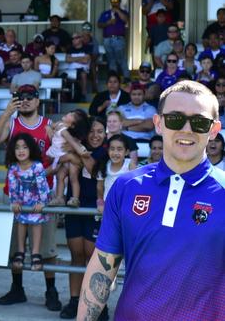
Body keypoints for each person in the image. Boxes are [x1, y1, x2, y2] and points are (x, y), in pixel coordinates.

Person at [78, 80, 225, 320]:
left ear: (213, 129)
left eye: (199, 122)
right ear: (158, 123)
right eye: (175, 119)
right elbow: (103, 269)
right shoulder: (125, 187)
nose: (186, 129)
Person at [0, 84, 62, 311]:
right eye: (22, 97)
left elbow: (61, 158)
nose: (26, 100)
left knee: (47, 249)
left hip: (42, 193)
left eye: (31, 97)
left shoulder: (49, 126)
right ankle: (17, 288)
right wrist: (7, 112)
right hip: (14, 193)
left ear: (38, 101)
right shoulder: (12, 123)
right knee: (15, 248)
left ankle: (51, 290)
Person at [59, 116, 108, 320]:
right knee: (76, 256)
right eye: (92, 131)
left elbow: (93, 168)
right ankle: (74, 300)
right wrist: (74, 154)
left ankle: (98, 305)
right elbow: (61, 160)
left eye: (100, 131)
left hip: (95, 210)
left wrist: (75, 155)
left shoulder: (106, 151)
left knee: (93, 259)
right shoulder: (78, 148)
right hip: (75, 206)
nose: (95, 136)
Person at [7, 133, 51, 272]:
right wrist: (14, 202)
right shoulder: (13, 168)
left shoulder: (37, 166)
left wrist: (42, 203)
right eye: (17, 148)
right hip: (21, 201)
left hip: (36, 201)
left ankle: (35, 252)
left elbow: (42, 186)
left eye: (25, 147)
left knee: (36, 222)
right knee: (21, 221)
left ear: (31, 149)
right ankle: (20, 251)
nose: (21, 151)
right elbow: (12, 187)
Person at [47, 109, 90, 207]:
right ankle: (59, 198)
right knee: (59, 177)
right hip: (61, 157)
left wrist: (82, 153)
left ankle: (75, 199)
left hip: (67, 157)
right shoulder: (59, 124)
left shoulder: (65, 132)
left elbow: (74, 144)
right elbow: (51, 125)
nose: (69, 113)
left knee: (73, 177)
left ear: (73, 125)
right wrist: (48, 128)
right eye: (71, 112)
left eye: (72, 115)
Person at [95, 134, 133, 212]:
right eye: (112, 149)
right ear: (108, 150)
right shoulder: (103, 165)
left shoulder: (130, 165)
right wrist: (100, 202)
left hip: (125, 208)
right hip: (108, 208)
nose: (115, 153)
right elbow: (100, 187)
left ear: (126, 152)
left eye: (119, 149)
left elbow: (135, 187)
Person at [97, 0, 130, 80]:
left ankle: (126, 77)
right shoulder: (105, 13)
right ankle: (114, 78)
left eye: (116, 1)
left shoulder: (123, 12)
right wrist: (108, 23)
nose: (114, 3)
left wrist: (117, 11)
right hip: (107, 39)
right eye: (113, 1)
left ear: (119, 2)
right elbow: (99, 24)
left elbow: (126, 20)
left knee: (121, 59)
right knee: (111, 60)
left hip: (118, 39)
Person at [65, 33, 92, 99]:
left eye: (75, 38)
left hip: (83, 69)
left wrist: (73, 59)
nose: (73, 40)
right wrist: (81, 58)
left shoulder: (87, 48)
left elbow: (85, 61)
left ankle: (83, 94)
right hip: (71, 70)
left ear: (80, 39)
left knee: (83, 74)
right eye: (72, 39)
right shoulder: (70, 49)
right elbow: (67, 60)